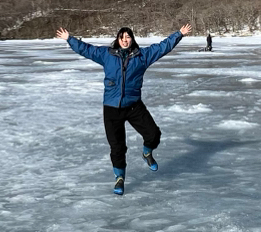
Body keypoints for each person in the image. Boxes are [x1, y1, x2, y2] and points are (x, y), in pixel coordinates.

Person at [56, 23, 192, 195]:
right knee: (117, 147)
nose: (125, 40)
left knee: (153, 135)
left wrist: (179, 34)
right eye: (122, 37)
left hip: (134, 105)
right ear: (118, 39)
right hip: (112, 108)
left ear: (132, 39)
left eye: (128, 37)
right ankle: (119, 179)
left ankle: (147, 152)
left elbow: (162, 47)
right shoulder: (107, 55)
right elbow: (86, 49)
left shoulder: (142, 56)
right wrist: (70, 39)